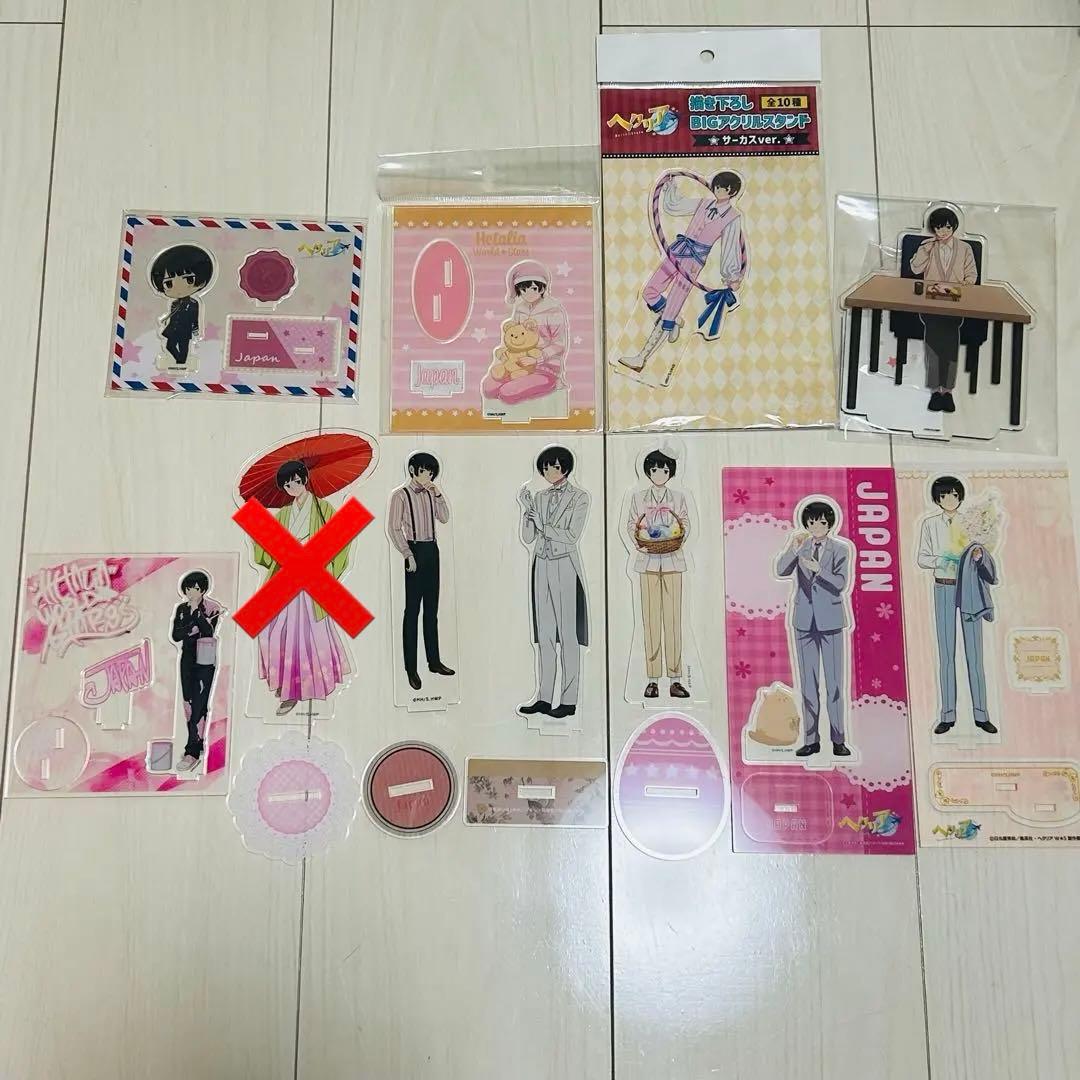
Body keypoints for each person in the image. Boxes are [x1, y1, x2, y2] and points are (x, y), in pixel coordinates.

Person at [621, 171, 748, 372]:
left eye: (722, 188)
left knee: (672, 305)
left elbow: (730, 247)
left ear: (731, 192)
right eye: (716, 186)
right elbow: (676, 205)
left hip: (694, 261)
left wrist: (732, 276)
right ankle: (675, 320)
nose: (717, 190)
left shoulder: (732, 217)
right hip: (678, 250)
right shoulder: (704, 203)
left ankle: (641, 358)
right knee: (650, 290)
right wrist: (670, 186)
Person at [252, 460, 352, 715]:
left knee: (307, 633)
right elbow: (267, 552)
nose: (293, 487)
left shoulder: (324, 509)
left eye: (296, 481)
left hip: (312, 577)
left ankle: (297, 690)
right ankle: (285, 683)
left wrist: (321, 554)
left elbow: (341, 543)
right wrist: (258, 530)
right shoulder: (284, 514)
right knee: (273, 630)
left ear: (305, 479)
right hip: (286, 575)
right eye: (287, 485)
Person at [917, 476, 998, 735]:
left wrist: (978, 555)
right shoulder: (930, 524)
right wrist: (943, 559)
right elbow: (922, 558)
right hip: (943, 587)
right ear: (937, 499)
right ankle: (948, 715)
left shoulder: (971, 521)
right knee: (946, 653)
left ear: (960, 496)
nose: (949, 500)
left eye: (953, 495)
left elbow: (985, 555)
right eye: (943, 496)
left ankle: (981, 715)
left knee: (974, 653)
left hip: (969, 587)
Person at [776, 502, 852, 757]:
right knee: (809, 685)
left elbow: (841, 583)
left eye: (821, 522)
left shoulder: (840, 549)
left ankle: (838, 739)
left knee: (834, 685)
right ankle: (811, 740)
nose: (816, 527)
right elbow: (781, 570)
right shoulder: (802, 546)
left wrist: (819, 570)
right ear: (806, 524)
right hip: (804, 621)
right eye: (811, 522)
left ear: (830, 524)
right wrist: (793, 548)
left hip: (831, 621)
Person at [518, 446, 589, 719]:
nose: (549, 472)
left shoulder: (580, 497)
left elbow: (571, 536)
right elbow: (528, 537)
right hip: (541, 564)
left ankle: (568, 700)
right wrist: (527, 511)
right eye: (546, 467)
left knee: (568, 633)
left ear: (566, 469)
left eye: (555, 467)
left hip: (564, 565)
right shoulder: (540, 497)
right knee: (545, 634)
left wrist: (542, 525)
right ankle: (544, 697)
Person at [387, 451, 455, 691]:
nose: (428, 476)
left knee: (431, 610)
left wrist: (438, 493)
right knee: (412, 611)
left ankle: (434, 661)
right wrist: (407, 554)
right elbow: (394, 528)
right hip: (414, 549)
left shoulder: (430, 493)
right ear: (413, 470)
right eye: (425, 471)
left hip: (432, 551)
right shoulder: (400, 495)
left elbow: (444, 518)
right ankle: (411, 669)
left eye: (431, 473)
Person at [626, 448, 691, 700]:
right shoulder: (638, 498)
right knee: (651, 620)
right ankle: (652, 679)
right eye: (654, 469)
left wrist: (675, 539)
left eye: (664, 470)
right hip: (647, 562)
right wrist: (640, 542)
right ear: (648, 472)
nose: (659, 474)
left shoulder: (678, 497)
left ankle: (675, 679)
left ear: (670, 472)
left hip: (673, 560)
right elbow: (631, 524)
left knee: (673, 620)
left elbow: (685, 524)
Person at [910, 206, 978, 414]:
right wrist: (925, 250)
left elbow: (972, 275)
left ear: (954, 227)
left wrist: (964, 286)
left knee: (950, 345)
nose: (943, 232)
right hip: (931, 304)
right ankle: (935, 390)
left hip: (955, 305)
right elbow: (915, 268)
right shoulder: (928, 247)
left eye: (947, 227)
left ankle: (947, 391)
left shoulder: (965, 248)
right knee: (932, 345)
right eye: (938, 228)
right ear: (933, 229)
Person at [170, 570, 222, 773]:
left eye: (195, 588)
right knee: (188, 704)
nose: (191, 592)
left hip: (205, 660)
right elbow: (176, 635)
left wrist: (196, 614)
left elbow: (209, 631)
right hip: (187, 658)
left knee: (200, 704)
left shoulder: (212, 608)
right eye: (188, 588)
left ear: (203, 590)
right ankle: (196, 743)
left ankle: (192, 751)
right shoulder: (181, 608)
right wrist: (192, 625)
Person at [149, 244, 215, 367]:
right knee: (169, 346)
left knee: (184, 347)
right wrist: (165, 319)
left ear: (201, 281)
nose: (179, 288)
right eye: (168, 283)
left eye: (189, 280)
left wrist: (196, 331)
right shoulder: (174, 303)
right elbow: (173, 314)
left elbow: (195, 318)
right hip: (173, 329)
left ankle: (181, 363)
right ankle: (179, 361)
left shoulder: (194, 303)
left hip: (185, 330)